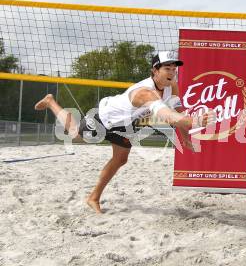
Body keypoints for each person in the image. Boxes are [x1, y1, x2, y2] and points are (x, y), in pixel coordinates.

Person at [35, 51, 213, 213]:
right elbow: (168, 116)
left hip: (126, 126)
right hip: (106, 118)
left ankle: (93, 198)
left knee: (121, 159)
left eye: (174, 69)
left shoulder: (172, 86)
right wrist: (194, 121)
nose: (172, 72)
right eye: (167, 68)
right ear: (155, 70)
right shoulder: (145, 92)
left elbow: (177, 113)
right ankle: (51, 101)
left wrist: (186, 138)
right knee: (75, 134)